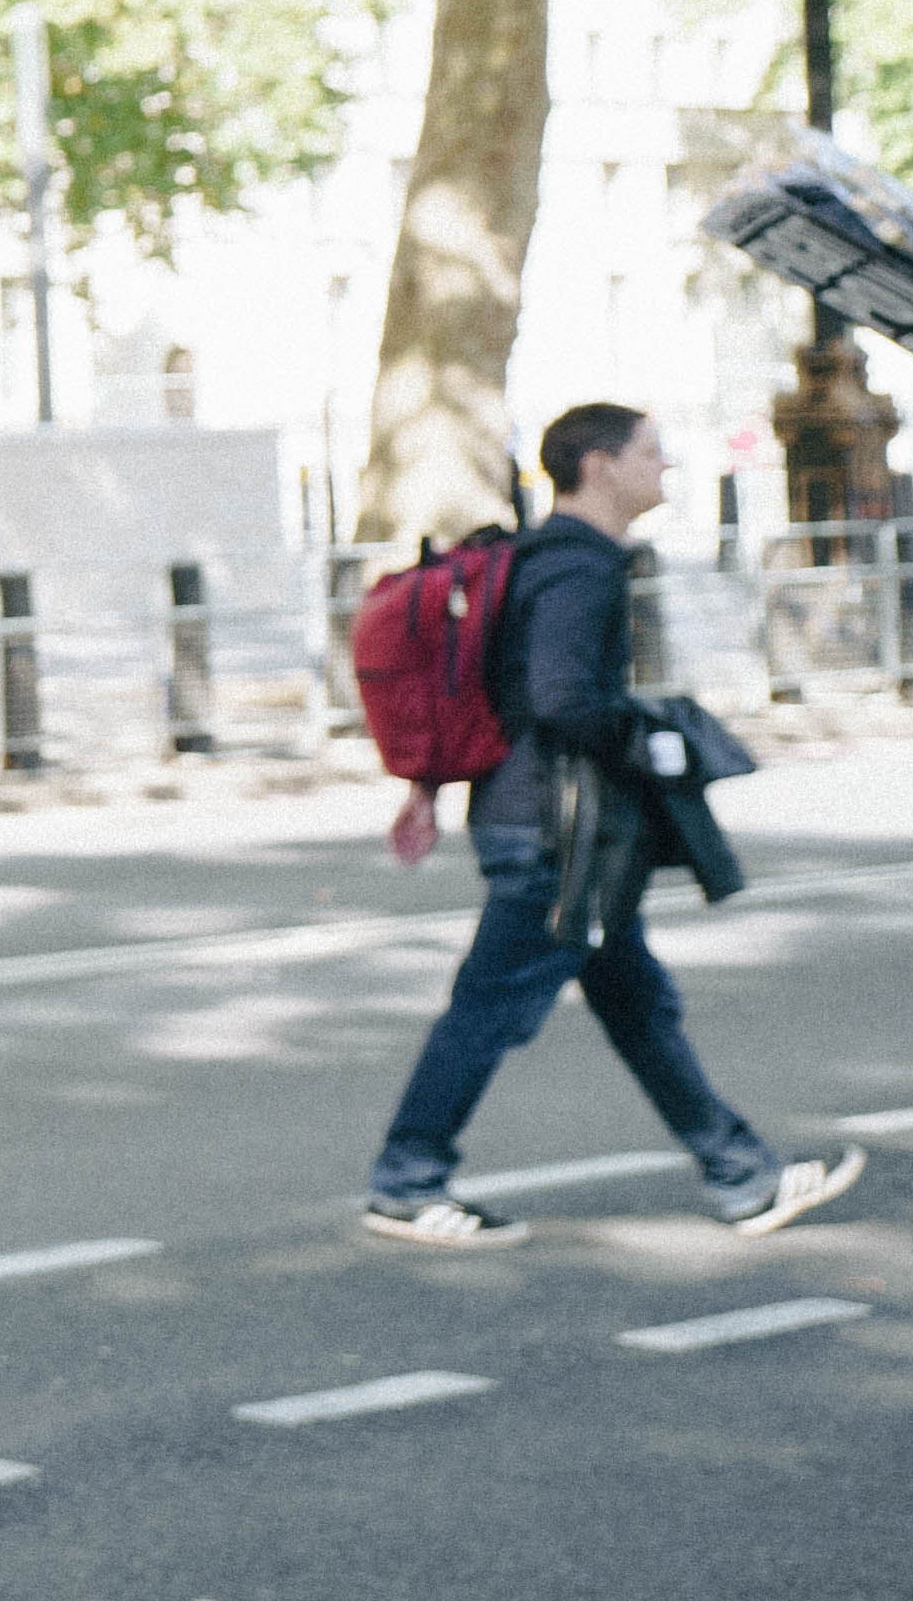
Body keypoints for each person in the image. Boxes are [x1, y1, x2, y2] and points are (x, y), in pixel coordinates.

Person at [357, 400, 859, 1250]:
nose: (664, 467)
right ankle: (405, 1181)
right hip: (557, 831)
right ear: (598, 465)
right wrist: (649, 735)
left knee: (635, 1004)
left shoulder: (535, 557)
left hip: (557, 825)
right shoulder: (576, 567)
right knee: (487, 1009)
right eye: (651, 452)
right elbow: (560, 698)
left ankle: (742, 1176)